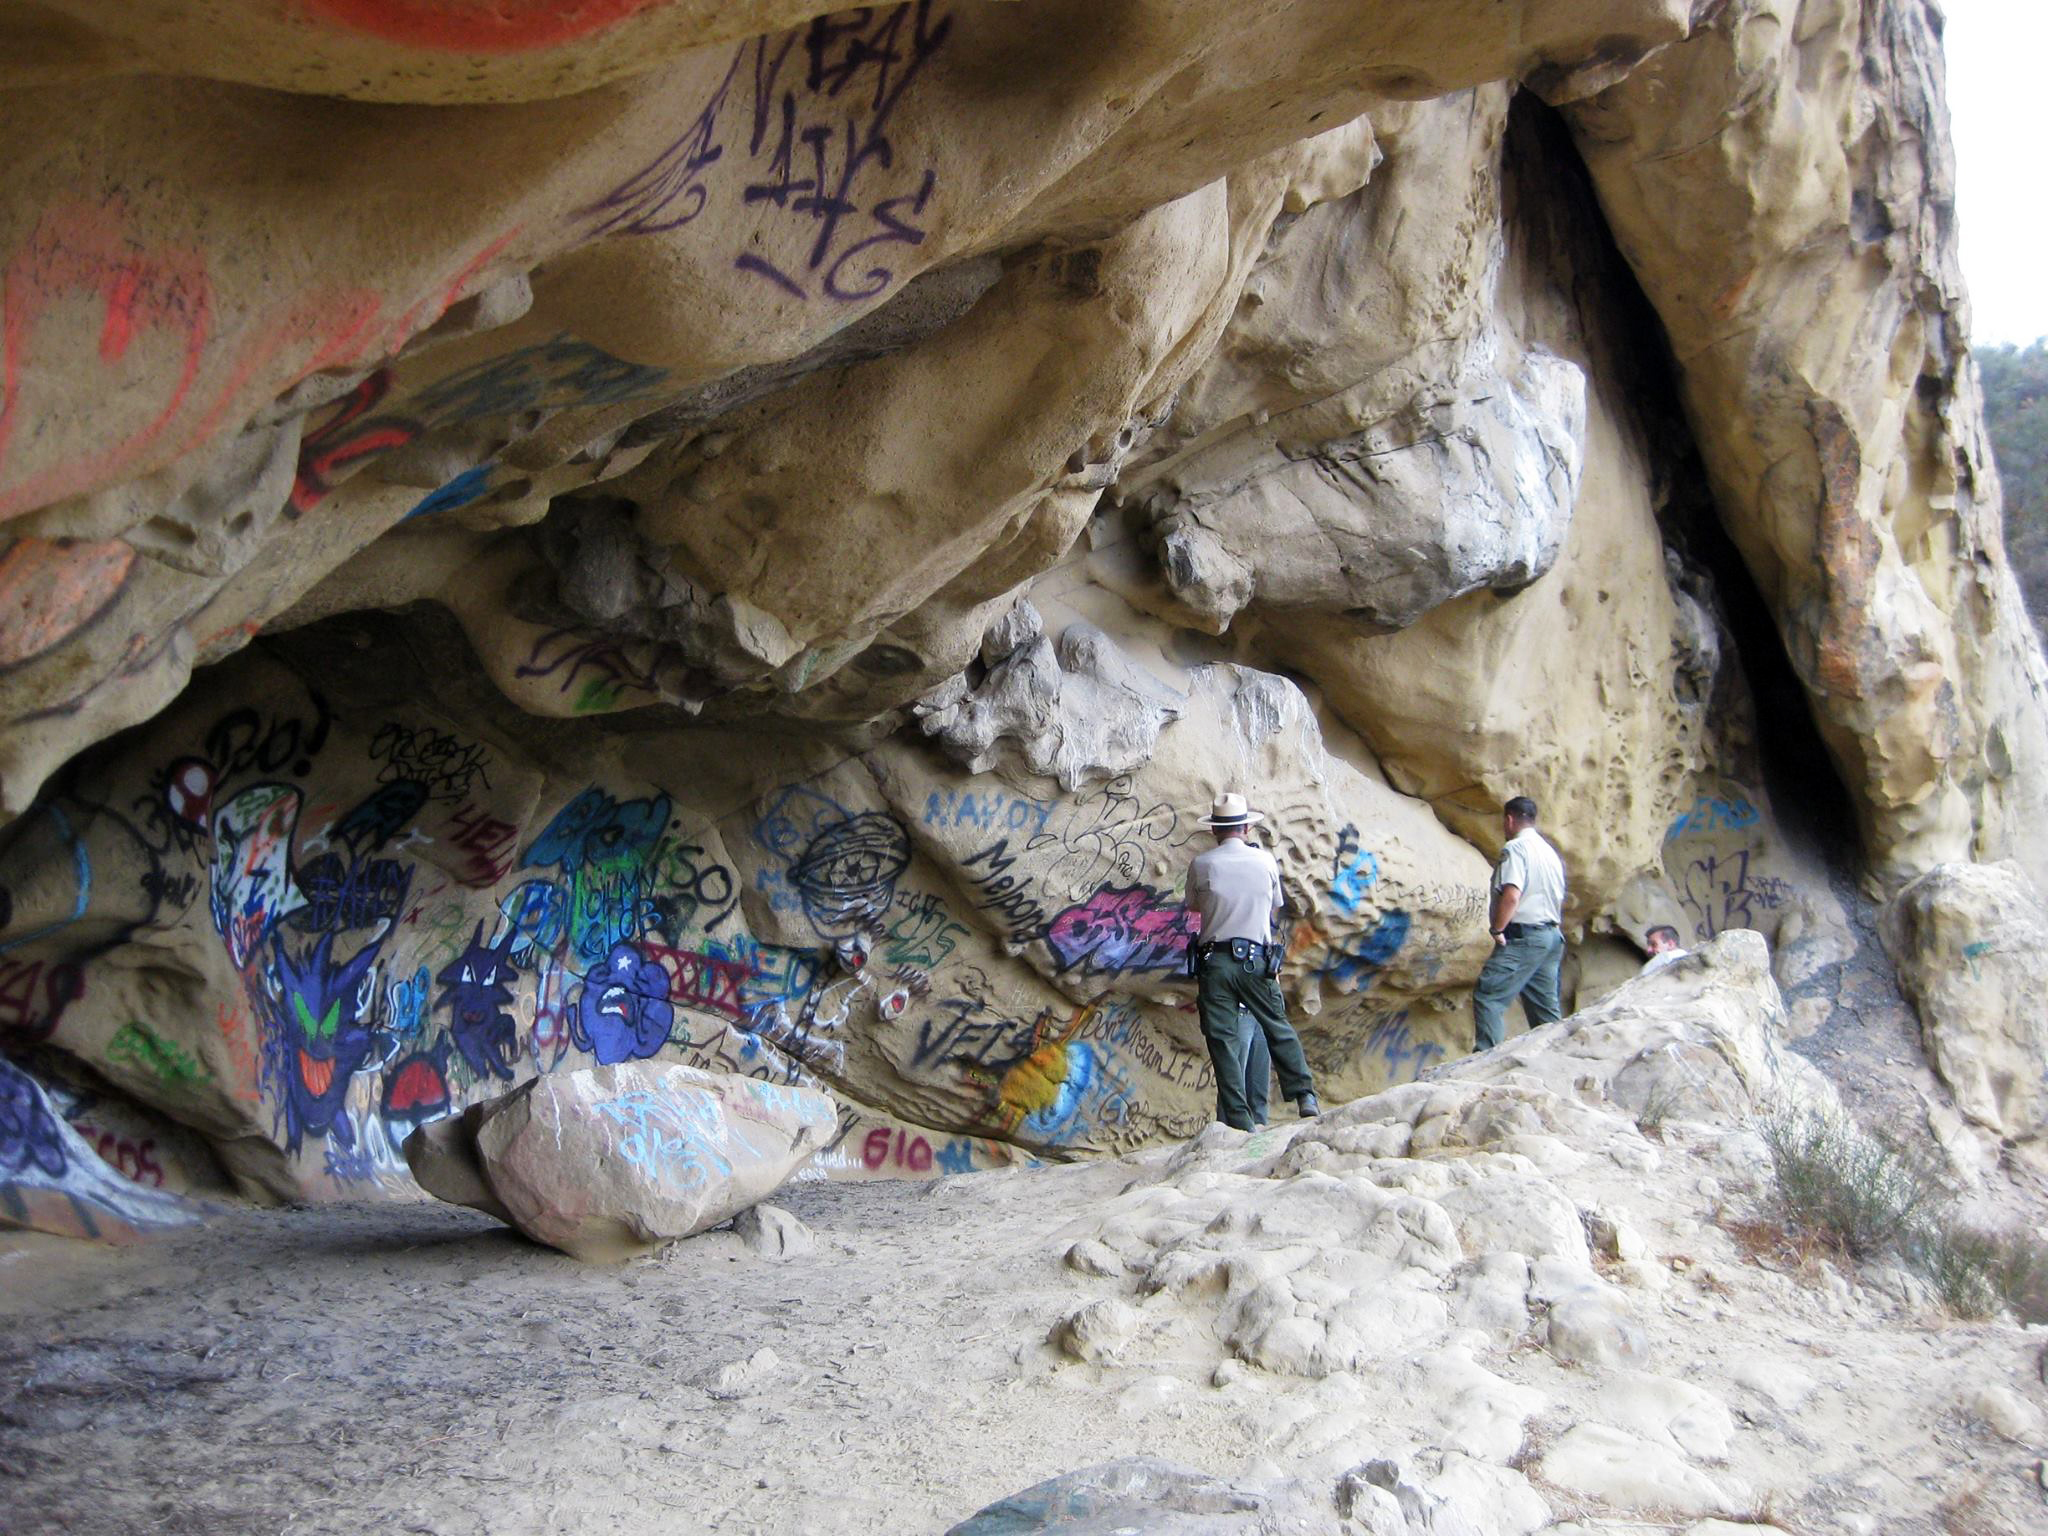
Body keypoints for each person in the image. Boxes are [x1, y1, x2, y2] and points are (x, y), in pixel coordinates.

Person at [1183, 792, 1319, 1131]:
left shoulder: (1202, 864)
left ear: (1215, 830)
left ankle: (1240, 1120)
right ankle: (1305, 1095)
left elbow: (1194, 907)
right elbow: (1275, 903)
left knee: (1223, 1042)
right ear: (1246, 827)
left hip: (1215, 963)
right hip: (1257, 961)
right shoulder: (1267, 862)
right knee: (1277, 1026)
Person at [1471, 795, 1567, 1052]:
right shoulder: (1549, 852)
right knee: (1544, 1008)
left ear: (1510, 820)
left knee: (1489, 995)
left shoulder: (1516, 849)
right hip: (1551, 935)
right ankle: (1556, 1056)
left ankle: (1484, 1060)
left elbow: (1512, 894)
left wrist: (1497, 929)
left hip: (1525, 935)